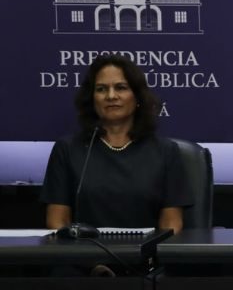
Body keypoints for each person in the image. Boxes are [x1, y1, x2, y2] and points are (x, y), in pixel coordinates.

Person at [41, 53, 193, 232]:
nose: (111, 96)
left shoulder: (166, 152)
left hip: (146, 257)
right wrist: (89, 259)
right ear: (92, 99)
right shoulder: (67, 150)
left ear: (137, 97)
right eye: (101, 89)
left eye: (121, 87)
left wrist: (147, 258)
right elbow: (57, 222)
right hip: (84, 257)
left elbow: (171, 226)